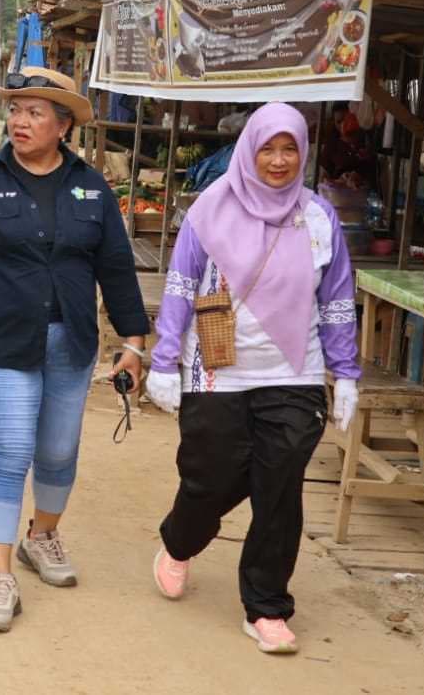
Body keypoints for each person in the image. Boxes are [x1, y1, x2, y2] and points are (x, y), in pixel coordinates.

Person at [0, 66, 149, 632]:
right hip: (0, 339)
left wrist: (134, 343)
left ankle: (40, 536)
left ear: (63, 124)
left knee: (59, 451)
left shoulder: (91, 186)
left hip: (70, 341)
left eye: (34, 112)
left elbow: (115, 268)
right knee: (9, 453)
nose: (19, 120)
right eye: (16, 110)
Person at [145, 103, 360, 655]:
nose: (279, 160)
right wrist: (164, 361)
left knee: (279, 488)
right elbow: (179, 286)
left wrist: (347, 372)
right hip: (219, 369)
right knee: (209, 477)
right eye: (268, 148)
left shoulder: (318, 218)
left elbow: (336, 300)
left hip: (296, 372)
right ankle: (180, 540)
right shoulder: (209, 211)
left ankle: (266, 607)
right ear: (249, 150)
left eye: (290, 149)